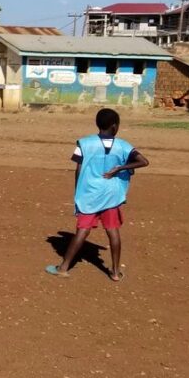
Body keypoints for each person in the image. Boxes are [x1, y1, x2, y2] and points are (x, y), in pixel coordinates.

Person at [46, 107, 148, 282]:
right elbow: (144, 162)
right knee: (113, 231)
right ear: (115, 126)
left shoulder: (84, 144)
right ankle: (115, 272)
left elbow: (78, 169)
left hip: (90, 195)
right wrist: (120, 168)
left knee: (82, 231)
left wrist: (78, 192)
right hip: (112, 196)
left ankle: (63, 268)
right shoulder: (124, 146)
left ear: (97, 124)